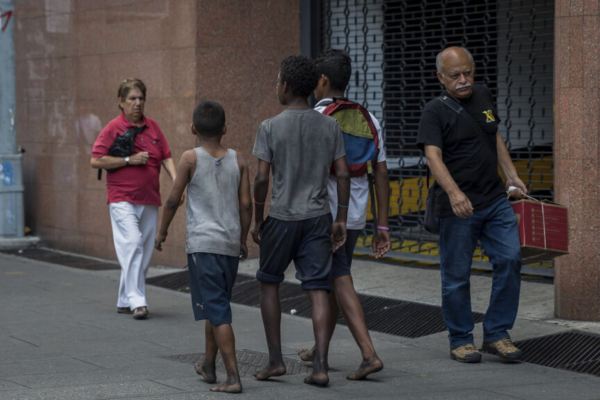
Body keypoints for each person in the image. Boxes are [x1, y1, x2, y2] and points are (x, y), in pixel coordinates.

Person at [417, 46, 527, 363]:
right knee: (456, 276)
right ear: (441, 77)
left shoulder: (482, 94)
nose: (463, 80)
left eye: (468, 72)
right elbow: (432, 156)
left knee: (510, 259)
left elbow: (493, 136)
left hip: (494, 199)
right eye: (455, 76)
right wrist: (453, 193)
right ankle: (460, 338)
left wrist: (512, 175)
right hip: (458, 206)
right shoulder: (434, 111)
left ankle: (496, 333)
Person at [251, 55, 350, 387]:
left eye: (277, 80)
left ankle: (276, 361)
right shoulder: (330, 125)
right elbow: (343, 174)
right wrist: (341, 218)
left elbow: (262, 179)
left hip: (281, 217)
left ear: (286, 86)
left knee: (269, 282)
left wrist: (257, 216)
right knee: (319, 289)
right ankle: (320, 366)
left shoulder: (270, 127)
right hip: (318, 218)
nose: (276, 86)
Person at [297, 49, 388, 380]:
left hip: (326, 216)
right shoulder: (369, 118)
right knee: (338, 277)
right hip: (355, 216)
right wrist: (383, 224)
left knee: (339, 277)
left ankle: (369, 353)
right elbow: (381, 173)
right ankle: (319, 350)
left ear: (321, 81)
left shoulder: (314, 117)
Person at [154, 100, 252, 393]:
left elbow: (173, 200)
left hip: (203, 246)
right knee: (215, 303)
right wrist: (243, 238)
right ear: (225, 129)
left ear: (192, 128)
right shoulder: (240, 159)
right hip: (229, 246)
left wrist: (161, 232)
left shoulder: (189, 159)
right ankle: (209, 366)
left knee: (218, 310)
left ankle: (233, 377)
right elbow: (246, 204)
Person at [91, 78, 177, 320]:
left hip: (149, 198)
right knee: (133, 244)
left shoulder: (154, 127)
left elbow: (167, 157)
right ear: (121, 101)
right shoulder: (112, 128)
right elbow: (96, 160)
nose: (137, 103)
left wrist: (178, 183)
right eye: (132, 98)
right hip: (121, 197)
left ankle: (123, 299)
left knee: (143, 251)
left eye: (141, 98)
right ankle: (138, 301)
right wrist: (129, 160)